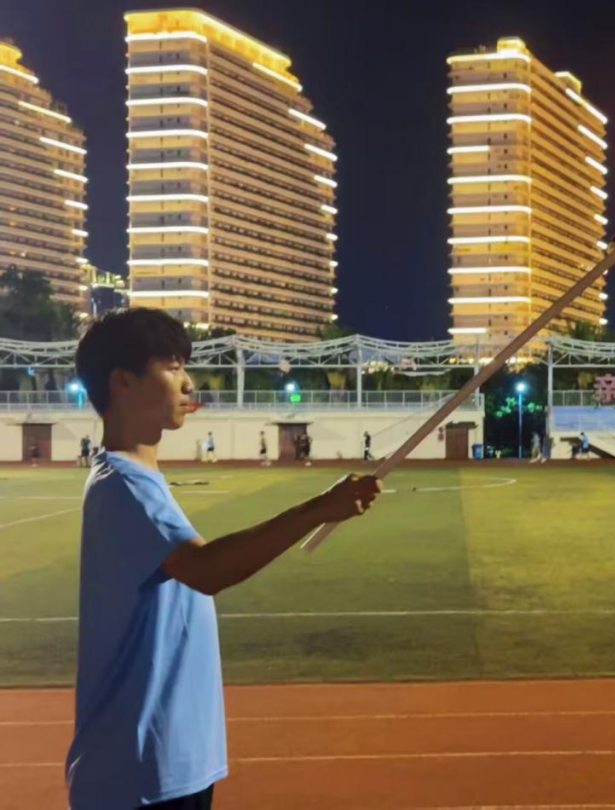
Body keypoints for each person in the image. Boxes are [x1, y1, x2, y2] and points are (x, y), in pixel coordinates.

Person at [66, 309, 381, 809]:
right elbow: (207, 569)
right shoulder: (123, 486)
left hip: (169, 765)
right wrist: (321, 508)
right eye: (172, 367)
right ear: (123, 382)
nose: (188, 382)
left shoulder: (137, 481)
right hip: (141, 773)